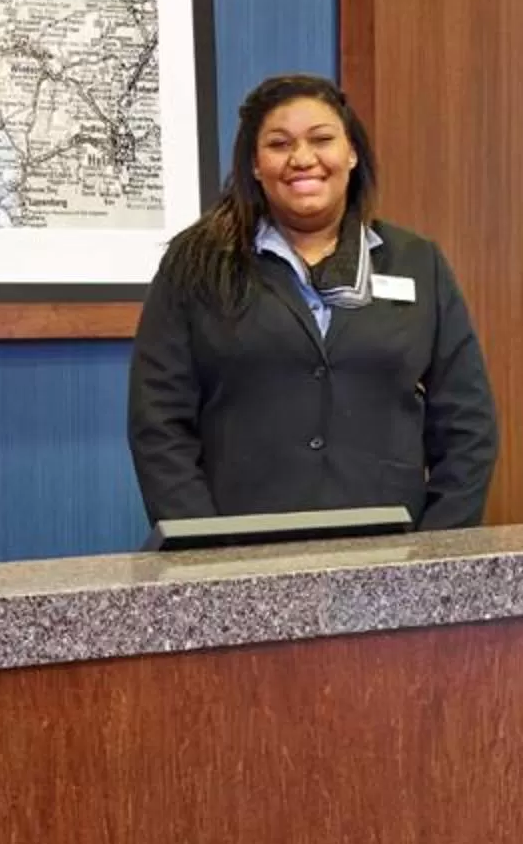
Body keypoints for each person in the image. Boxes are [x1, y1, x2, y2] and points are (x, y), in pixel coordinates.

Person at [128, 72, 498, 530]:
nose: (302, 159)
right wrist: (202, 547)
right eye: (279, 144)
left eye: (322, 139)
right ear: (254, 165)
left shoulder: (418, 262)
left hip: (390, 551)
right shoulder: (196, 262)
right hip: (238, 550)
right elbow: (158, 422)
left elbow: (468, 424)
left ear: (352, 153)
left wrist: (437, 550)